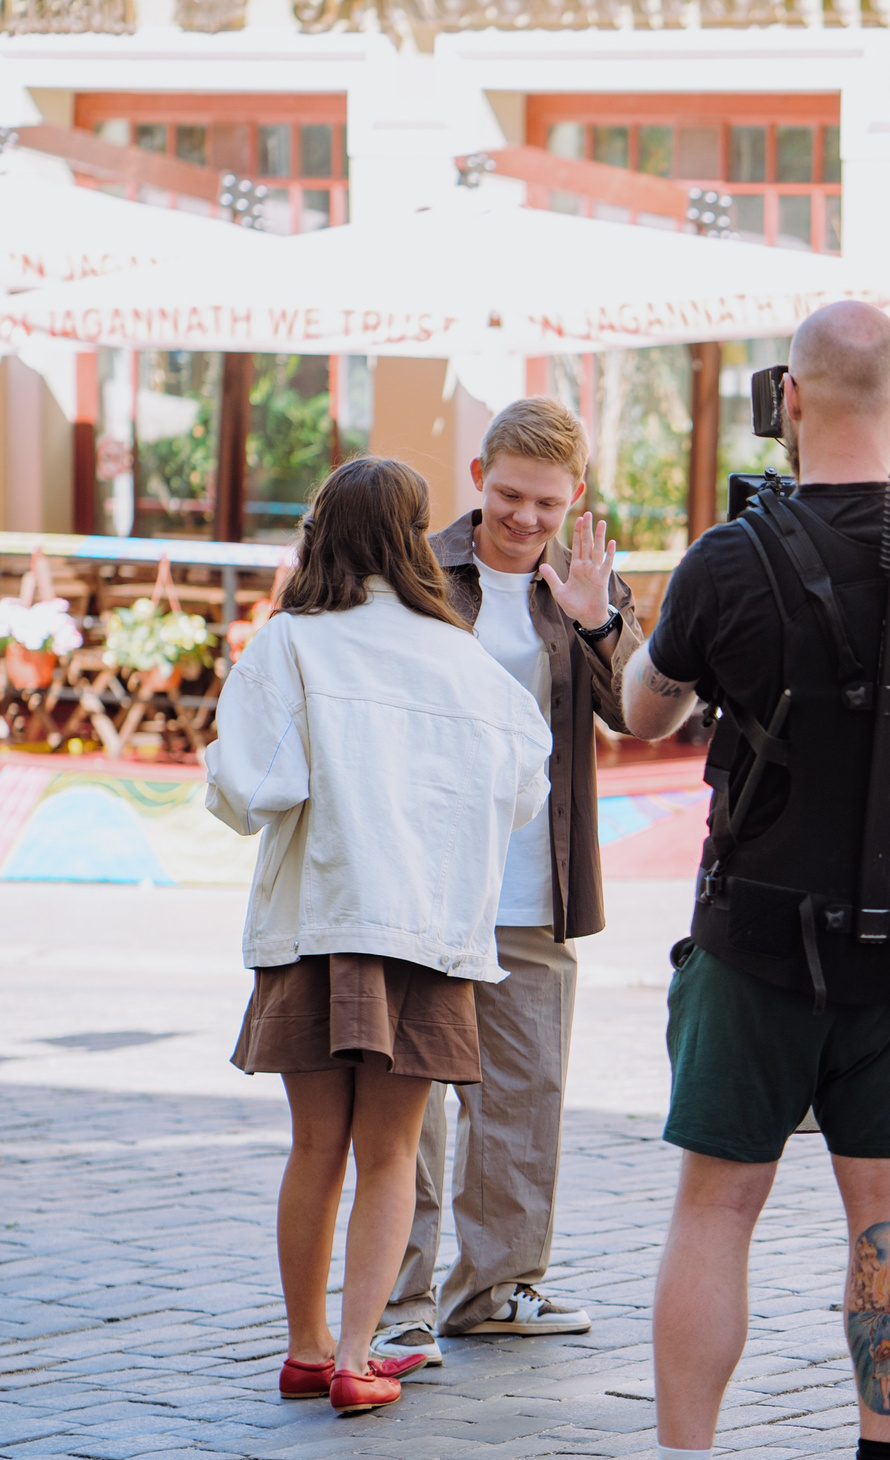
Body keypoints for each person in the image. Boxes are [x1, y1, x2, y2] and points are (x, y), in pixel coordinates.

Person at [597, 301, 890, 1460]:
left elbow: (642, 712)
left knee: (719, 1205)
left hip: (756, 934)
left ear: (788, 397)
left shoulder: (729, 558)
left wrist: (610, 621)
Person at [205, 457, 552, 1417]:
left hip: (315, 924)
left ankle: (307, 1346)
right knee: (392, 1153)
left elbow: (249, 789)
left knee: (313, 1144)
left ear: (321, 533)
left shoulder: (292, 645)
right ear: (413, 537)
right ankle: (362, 1354)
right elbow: (526, 790)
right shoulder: (464, 659)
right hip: (427, 935)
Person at [373, 398, 640, 1366]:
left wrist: (599, 620)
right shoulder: (413, 567)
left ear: (576, 498)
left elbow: (643, 713)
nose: (527, 518)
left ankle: (496, 1289)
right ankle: (395, 1296)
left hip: (533, 881)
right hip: (419, 882)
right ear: (480, 472)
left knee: (523, 1097)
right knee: (411, 1099)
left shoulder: (583, 582)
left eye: (549, 502)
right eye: (512, 494)